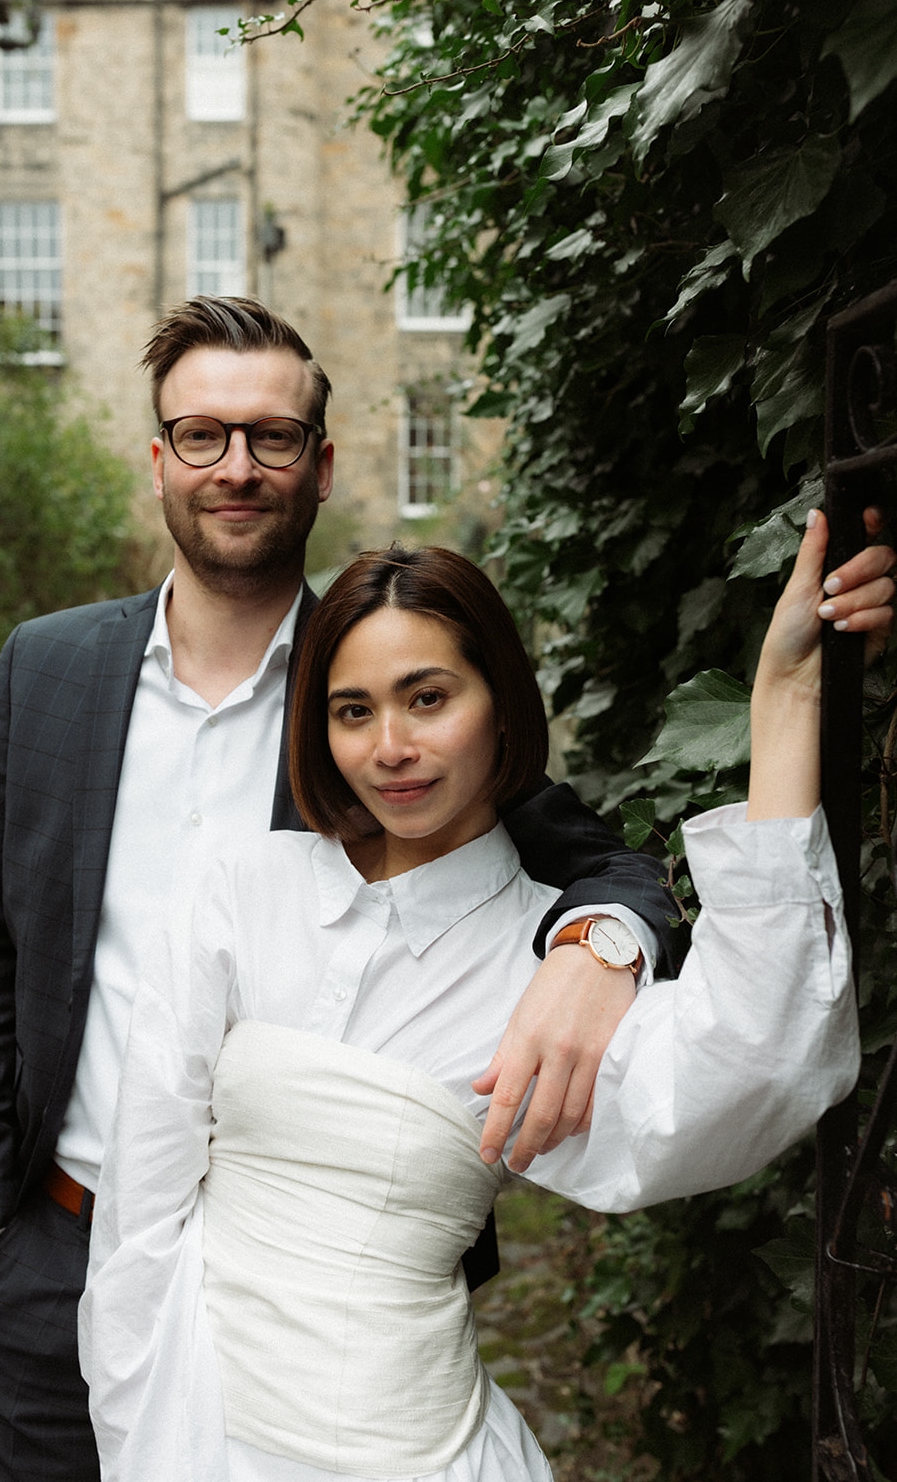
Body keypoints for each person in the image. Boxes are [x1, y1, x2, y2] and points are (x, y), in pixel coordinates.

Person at [0, 296, 676, 1482]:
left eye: (271, 437)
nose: (237, 466)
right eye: (202, 435)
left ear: (319, 465)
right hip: (53, 1250)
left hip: (296, 1302)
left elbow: (599, 857)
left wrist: (600, 942)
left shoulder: (374, 680)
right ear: (158, 456)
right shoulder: (47, 665)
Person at [80, 512, 892, 1482]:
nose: (389, 746)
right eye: (351, 710)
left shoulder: (548, 961)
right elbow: (139, 1221)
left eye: (426, 697)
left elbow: (757, 1061)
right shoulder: (236, 889)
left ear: (501, 703)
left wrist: (785, 693)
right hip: (192, 1437)